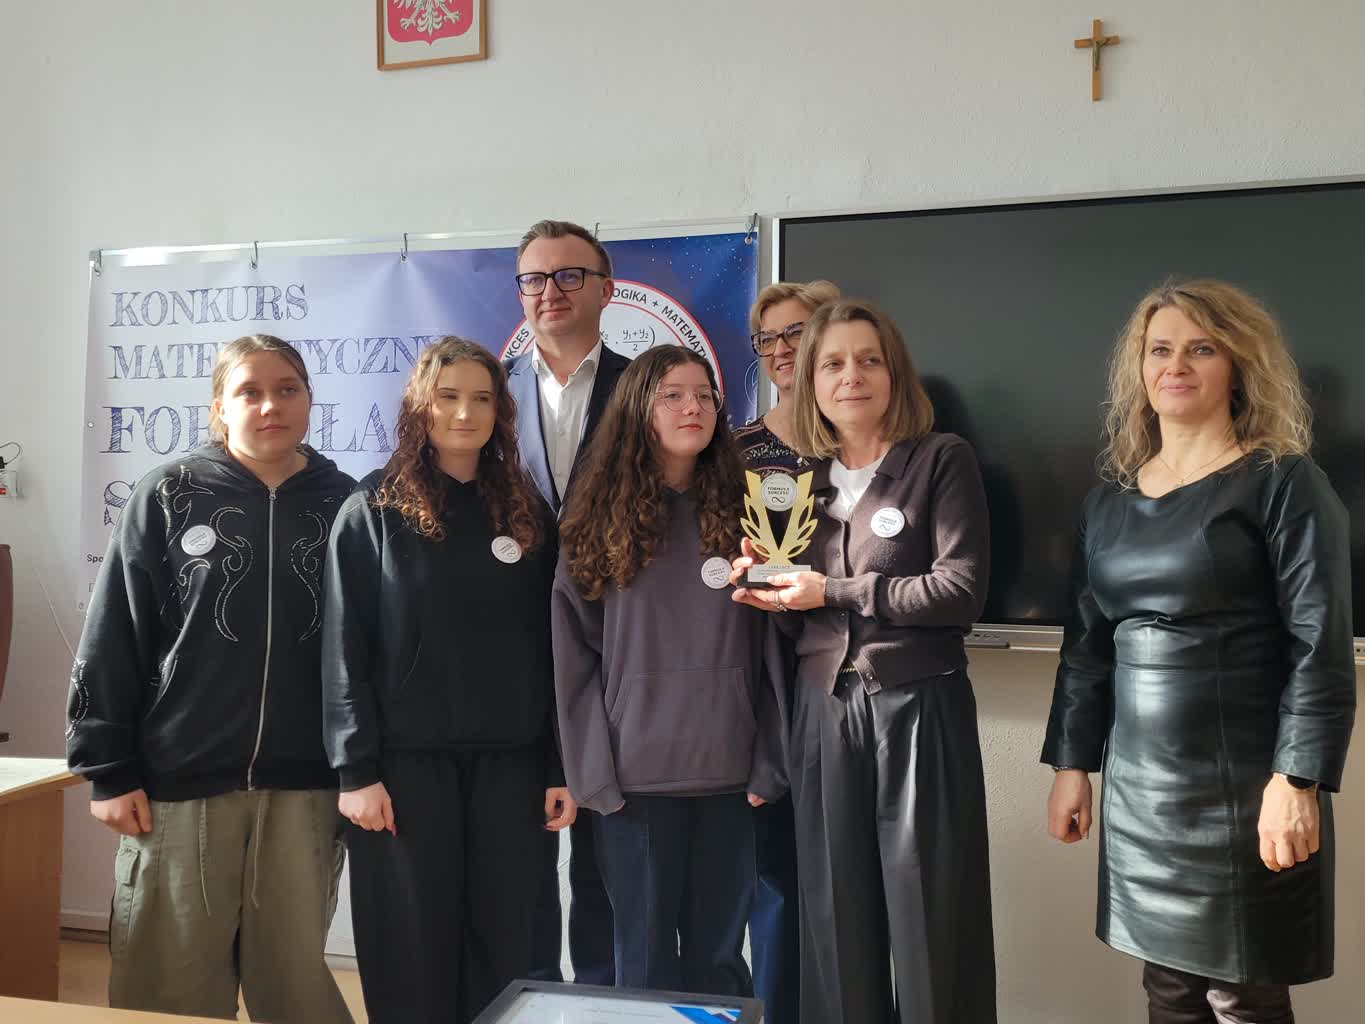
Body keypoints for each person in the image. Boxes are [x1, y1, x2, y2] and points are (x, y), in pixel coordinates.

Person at [1041, 280, 1355, 1024]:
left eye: (1201, 348)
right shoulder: (1106, 502)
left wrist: (1297, 779)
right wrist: (1071, 767)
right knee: (1170, 992)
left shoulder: (1283, 482)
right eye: (1160, 350)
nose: (1175, 365)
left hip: (1248, 787)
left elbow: (1319, 642)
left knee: (1242, 996)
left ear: (1238, 366)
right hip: (1141, 792)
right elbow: (1086, 650)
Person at [66, 335, 354, 1024]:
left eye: (287, 389)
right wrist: (107, 769)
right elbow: (116, 633)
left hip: (306, 784)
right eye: (250, 391)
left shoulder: (346, 503)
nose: (270, 405)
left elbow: (366, 653)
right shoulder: (167, 494)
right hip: (179, 783)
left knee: (294, 985)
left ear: (309, 400)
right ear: (219, 407)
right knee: (170, 986)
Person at [733, 299, 997, 1024]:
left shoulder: (938, 459)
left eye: (868, 360)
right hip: (823, 712)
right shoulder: (798, 481)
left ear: (894, 373)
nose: (851, 376)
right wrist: (763, 584)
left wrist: (834, 589)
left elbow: (958, 591)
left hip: (919, 708)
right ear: (810, 382)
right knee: (833, 920)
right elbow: (798, 606)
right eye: (832, 363)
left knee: (930, 918)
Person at [323, 337, 571, 1024]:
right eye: (449, 396)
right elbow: (344, 647)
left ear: (501, 411)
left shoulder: (526, 510)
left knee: (507, 945)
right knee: (411, 949)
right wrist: (355, 771)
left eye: (482, 398)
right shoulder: (372, 507)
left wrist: (559, 764)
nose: (466, 413)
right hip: (404, 772)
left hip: (512, 767)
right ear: (419, 406)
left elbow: (554, 650)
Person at [553, 345, 787, 995]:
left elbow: (775, 649)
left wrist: (771, 760)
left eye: (704, 396)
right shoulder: (592, 522)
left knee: (719, 964)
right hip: (633, 788)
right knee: (644, 965)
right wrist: (593, 777)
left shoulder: (751, 517)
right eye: (673, 396)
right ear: (637, 408)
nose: (693, 408)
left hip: (729, 780)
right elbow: (572, 663)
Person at [505, 218, 629, 984]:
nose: (549, 291)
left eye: (568, 275)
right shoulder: (488, 394)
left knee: (606, 866)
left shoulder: (642, 388)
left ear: (605, 290)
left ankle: (604, 1002)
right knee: (519, 869)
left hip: (614, 652)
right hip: (511, 656)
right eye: (533, 278)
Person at [733, 278, 839, 1024]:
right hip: (761, 678)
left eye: (796, 333)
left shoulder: (860, 442)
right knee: (772, 874)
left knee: (844, 873)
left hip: (847, 674)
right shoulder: (735, 449)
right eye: (766, 338)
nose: (780, 350)